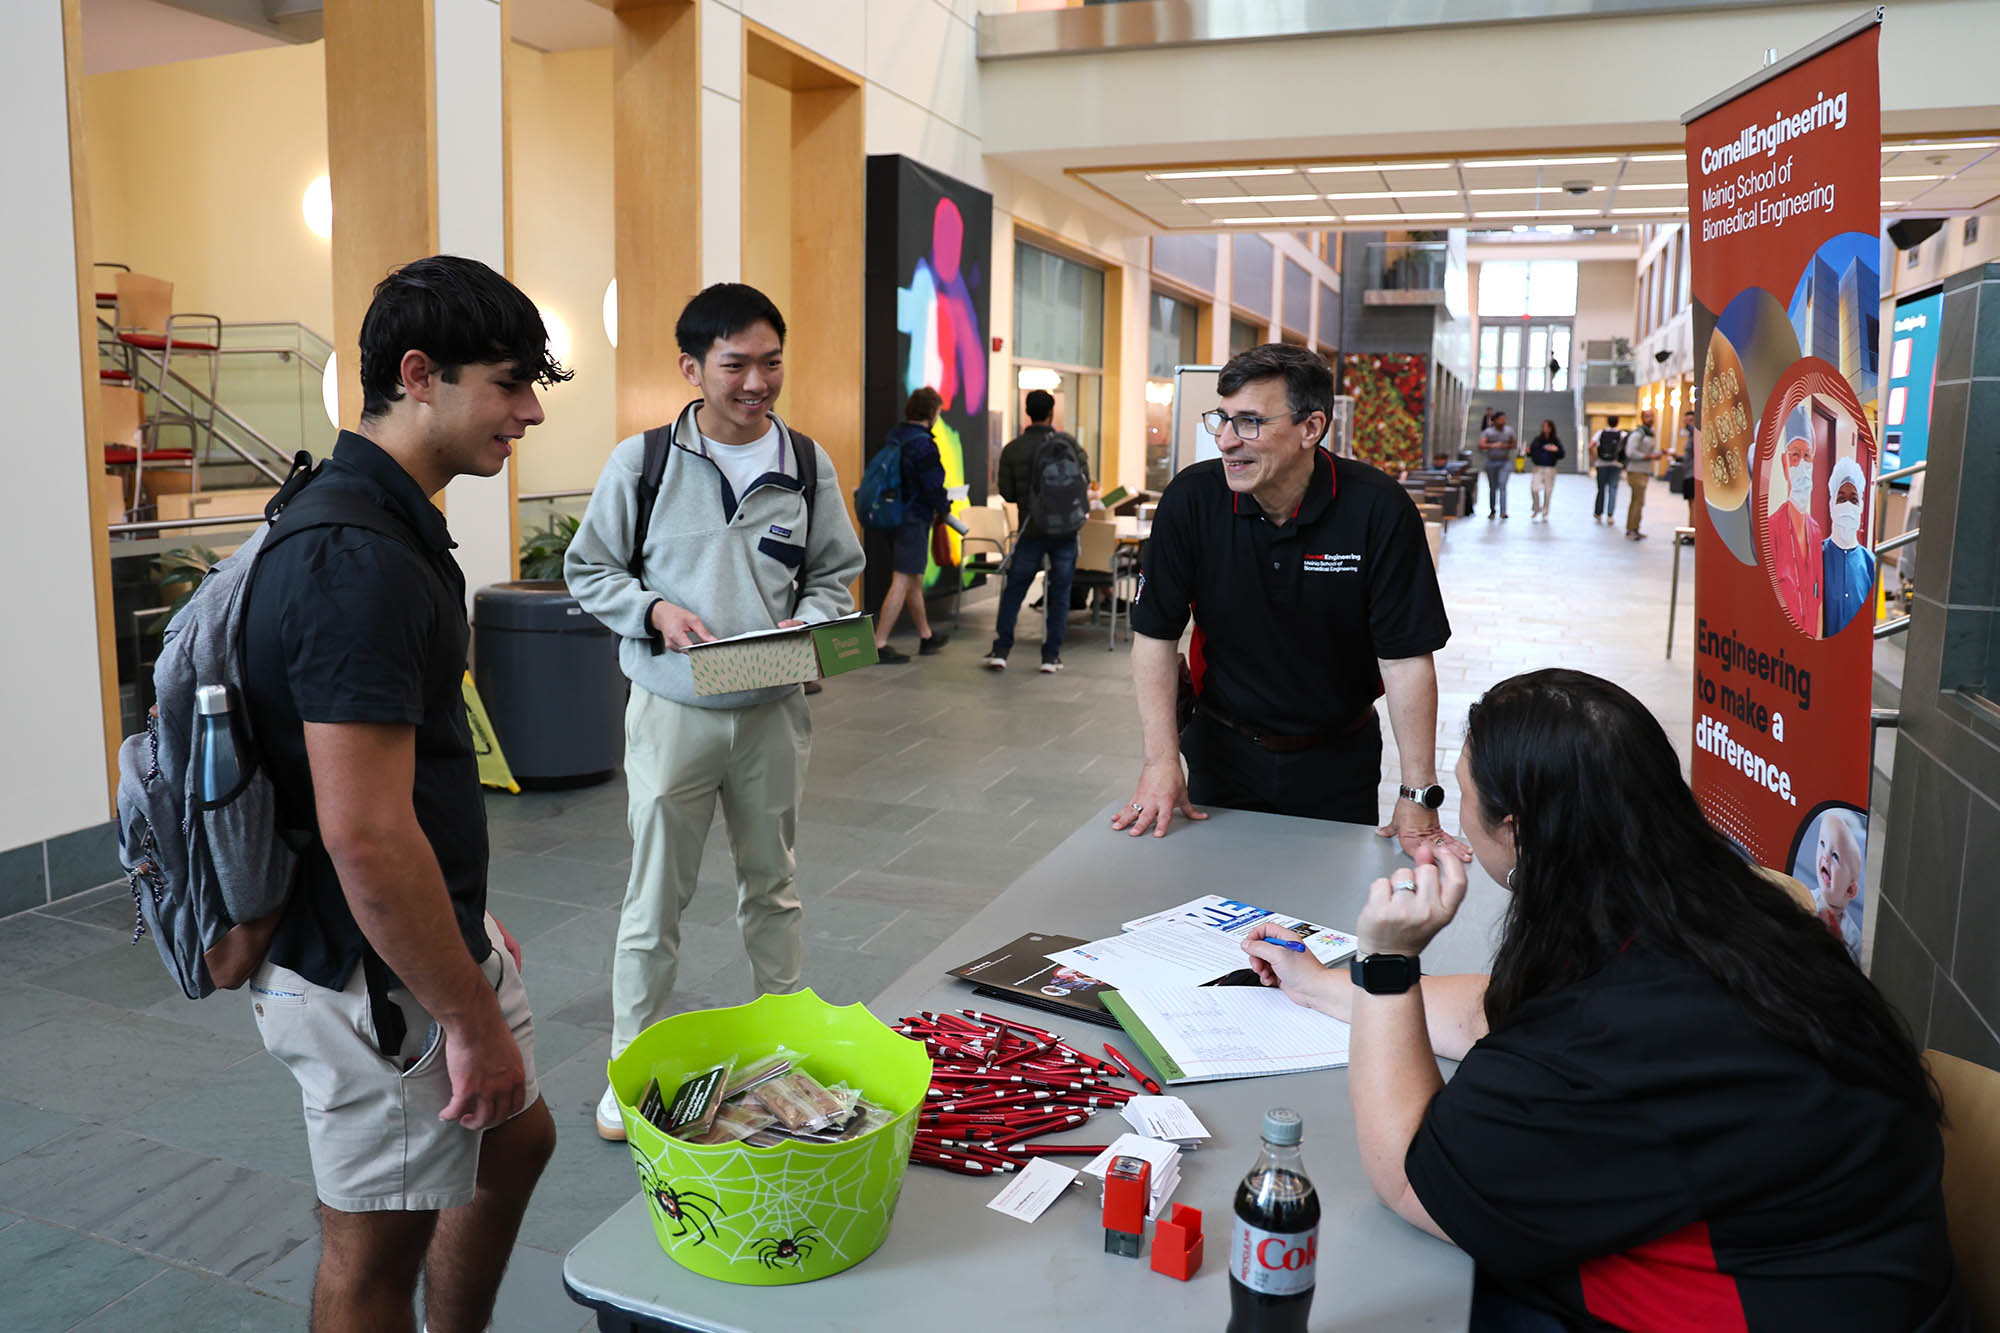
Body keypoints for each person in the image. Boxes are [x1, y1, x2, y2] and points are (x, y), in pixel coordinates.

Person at [1242, 669, 1969, 1333]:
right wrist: (1323, 984)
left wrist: (1387, 962)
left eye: (1457, 796)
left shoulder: (1618, 1029)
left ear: (1516, 834)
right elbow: (1495, 1010)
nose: (1451, 819)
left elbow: (1409, 1174)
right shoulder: (1698, 905)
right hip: (1859, 1274)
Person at [241, 255, 565, 1333]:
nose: (526, 412)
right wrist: (460, 1008)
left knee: (516, 1137)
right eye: (509, 382)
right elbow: (365, 835)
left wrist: (459, 924)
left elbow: (402, 791)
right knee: (371, 1247)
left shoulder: (384, 520)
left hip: (410, 942)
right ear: (418, 374)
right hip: (362, 976)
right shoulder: (355, 557)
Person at [564, 283, 865, 1143]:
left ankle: (788, 1048)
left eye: (771, 362)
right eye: (736, 364)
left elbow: (835, 572)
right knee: (655, 896)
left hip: (772, 709)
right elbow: (592, 571)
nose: (757, 381)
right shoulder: (645, 462)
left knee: (774, 887)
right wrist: (655, 612)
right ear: (693, 368)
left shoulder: (806, 463)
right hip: (673, 710)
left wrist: (810, 615)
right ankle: (630, 1070)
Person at [1112, 343, 1469, 862]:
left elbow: (1405, 658)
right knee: (1206, 909)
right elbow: (1155, 637)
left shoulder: (1377, 509)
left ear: (1311, 427)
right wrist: (1160, 762)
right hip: (1221, 750)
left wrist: (1418, 794)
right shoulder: (1192, 500)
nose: (1227, 441)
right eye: (1223, 419)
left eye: (1250, 422)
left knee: (1323, 922)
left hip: (1338, 760)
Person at [985, 388, 1087, 674]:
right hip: (1065, 530)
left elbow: (1005, 492)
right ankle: (1050, 656)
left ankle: (1001, 650)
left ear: (1027, 413)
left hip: (1031, 528)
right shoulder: (1068, 445)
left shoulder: (1013, 449)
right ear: (1052, 412)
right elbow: (1084, 480)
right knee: (1060, 590)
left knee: (1015, 588)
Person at [871, 386, 965, 662]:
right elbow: (932, 485)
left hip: (892, 516)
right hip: (913, 519)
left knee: (913, 578)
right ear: (931, 412)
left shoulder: (895, 437)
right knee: (902, 578)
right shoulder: (923, 443)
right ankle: (879, 643)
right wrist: (944, 509)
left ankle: (926, 636)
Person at [1770, 424, 1825, 634]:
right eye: (1795, 455)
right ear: (1785, 464)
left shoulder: (1815, 531)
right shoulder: (1771, 528)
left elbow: (1818, 600)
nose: (1801, 463)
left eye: (1807, 456)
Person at [1822, 456, 1877, 637]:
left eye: (1853, 500)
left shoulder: (1869, 563)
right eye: (1841, 498)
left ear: (1860, 507)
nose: (1847, 505)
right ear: (1832, 506)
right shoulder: (1817, 555)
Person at [1811, 808, 1866, 962]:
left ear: (1850, 890)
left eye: (1835, 856)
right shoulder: (1805, 897)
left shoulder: (1853, 937)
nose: (1825, 857)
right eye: (1822, 844)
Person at [1622, 408, 1661, 539]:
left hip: (1643, 471)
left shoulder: (1649, 433)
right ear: (1642, 418)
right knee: (1638, 501)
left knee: (1637, 501)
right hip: (1636, 471)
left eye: (1652, 416)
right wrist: (1648, 456)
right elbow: (1630, 452)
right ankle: (1632, 529)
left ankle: (1633, 527)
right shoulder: (1638, 434)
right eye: (1647, 416)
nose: (1650, 419)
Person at [1479, 409, 1517, 519]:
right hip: (1491, 462)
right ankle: (1492, 510)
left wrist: (1505, 446)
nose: (1503, 422)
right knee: (1492, 487)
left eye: (1504, 419)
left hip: (1504, 462)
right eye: (1500, 419)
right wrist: (1493, 445)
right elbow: (1481, 445)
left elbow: (1514, 444)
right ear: (1494, 420)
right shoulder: (1488, 432)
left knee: (1502, 484)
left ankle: (1503, 511)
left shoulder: (1509, 431)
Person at [1525, 420, 1564, 521]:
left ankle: (1545, 511)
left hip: (1550, 468)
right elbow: (1532, 452)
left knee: (1548, 491)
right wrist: (1528, 452)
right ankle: (1536, 507)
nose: (1545, 429)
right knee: (1534, 488)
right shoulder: (1538, 440)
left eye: (1547, 427)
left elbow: (1561, 453)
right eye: (1543, 427)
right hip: (1538, 467)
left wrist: (1555, 450)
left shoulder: (1555, 441)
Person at [1590, 415, 1625, 524]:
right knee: (1613, 489)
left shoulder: (1600, 433)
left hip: (1601, 464)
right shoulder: (1622, 434)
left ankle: (1598, 513)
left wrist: (1595, 459)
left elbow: (1590, 446)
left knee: (1601, 489)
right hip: (1616, 464)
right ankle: (1610, 515)